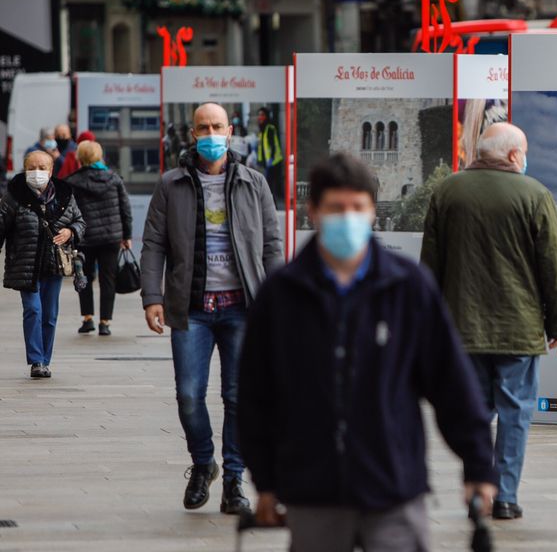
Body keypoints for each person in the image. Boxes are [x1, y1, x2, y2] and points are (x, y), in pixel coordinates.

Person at [241, 153, 497, 550]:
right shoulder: (281, 294)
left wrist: (478, 463)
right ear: (313, 211)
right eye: (336, 208)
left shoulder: (408, 287)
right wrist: (266, 480)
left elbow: (451, 382)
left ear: (373, 211)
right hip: (313, 490)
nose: (348, 218)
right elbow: (256, 396)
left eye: (357, 207)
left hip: (392, 486)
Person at [420, 122, 557, 521]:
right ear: (514, 155)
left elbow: (430, 266)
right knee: (515, 413)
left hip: (461, 329)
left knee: (473, 413)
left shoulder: (447, 191)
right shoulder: (535, 195)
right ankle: (504, 497)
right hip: (518, 329)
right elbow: (553, 267)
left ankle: (477, 488)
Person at [141, 102, 283, 515]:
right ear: (192, 133)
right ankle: (204, 463)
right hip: (192, 309)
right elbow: (154, 244)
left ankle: (234, 480)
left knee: (239, 397)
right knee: (189, 395)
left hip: (243, 308)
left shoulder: (254, 183)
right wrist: (152, 297)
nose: (210, 134)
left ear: (230, 130)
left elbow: (272, 246)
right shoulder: (171, 184)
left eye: (216, 126)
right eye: (202, 127)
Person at [0, 150, 84, 378]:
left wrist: (70, 231)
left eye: (42, 168)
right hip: (25, 264)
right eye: (32, 168)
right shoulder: (14, 195)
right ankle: (36, 360)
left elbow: (80, 221)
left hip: (53, 264)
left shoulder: (64, 195)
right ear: (25, 168)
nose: (36, 172)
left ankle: (45, 360)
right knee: (33, 309)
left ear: (51, 170)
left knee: (49, 314)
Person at [65, 140, 131, 336]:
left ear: (80, 157)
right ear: (99, 156)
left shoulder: (72, 181)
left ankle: (87, 319)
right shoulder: (114, 179)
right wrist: (127, 235)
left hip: (84, 238)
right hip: (111, 237)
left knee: (83, 276)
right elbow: (125, 209)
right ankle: (105, 323)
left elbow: (68, 212)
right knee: (108, 279)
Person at [255, 107, 284, 201]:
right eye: (259, 115)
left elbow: (273, 145)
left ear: (267, 116)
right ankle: (272, 202)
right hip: (267, 162)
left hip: (274, 161)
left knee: (271, 185)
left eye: (262, 115)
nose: (260, 117)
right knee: (270, 185)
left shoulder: (270, 128)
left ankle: (272, 203)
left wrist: (271, 158)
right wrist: (260, 160)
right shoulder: (262, 130)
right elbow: (261, 147)